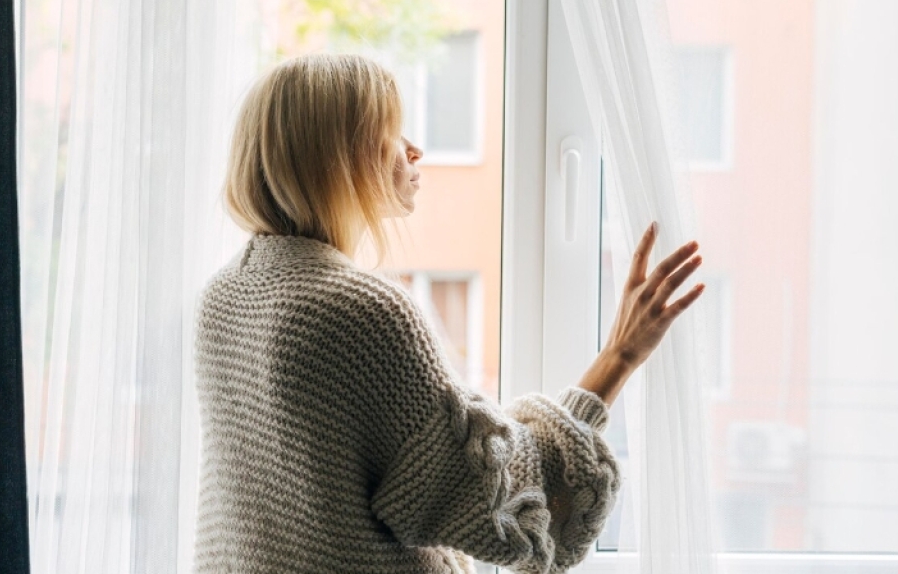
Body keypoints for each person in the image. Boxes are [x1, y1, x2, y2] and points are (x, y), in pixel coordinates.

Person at [193, 53, 705, 574]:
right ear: (339, 157)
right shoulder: (360, 313)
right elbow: (498, 499)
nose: (415, 149)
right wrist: (618, 357)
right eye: (392, 132)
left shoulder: (224, 298)